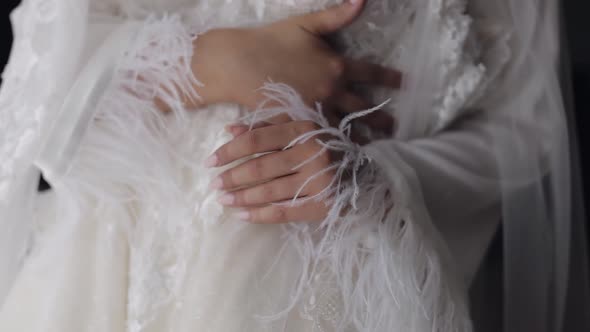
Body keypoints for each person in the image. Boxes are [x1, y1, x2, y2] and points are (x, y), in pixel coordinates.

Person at [0, 0, 587, 331]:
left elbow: (524, 126)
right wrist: (214, 61)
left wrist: (383, 182)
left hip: (358, 285)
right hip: (113, 278)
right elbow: (38, 73)